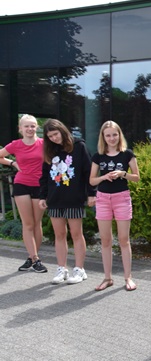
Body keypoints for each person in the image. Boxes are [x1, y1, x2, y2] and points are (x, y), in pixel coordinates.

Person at [39, 119, 96, 285]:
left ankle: (79, 269)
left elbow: (88, 172)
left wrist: (92, 193)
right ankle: (61, 268)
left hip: (74, 199)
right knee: (59, 235)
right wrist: (43, 196)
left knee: (76, 234)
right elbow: (44, 176)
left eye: (55, 134)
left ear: (62, 131)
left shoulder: (79, 147)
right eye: (50, 136)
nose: (54, 138)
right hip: (55, 199)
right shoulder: (50, 151)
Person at [90, 120, 140, 292]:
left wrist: (123, 174)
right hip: (103, 199)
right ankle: (107, 278)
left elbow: (137, 177)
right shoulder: (98, 156)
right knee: (105, 240)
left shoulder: (127, 154)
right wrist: (104, 177)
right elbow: (92, 180)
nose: (112, 138)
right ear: (103, 137)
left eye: (114, 134)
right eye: (108, 135)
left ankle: (128, 277)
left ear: (119, 135)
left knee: (124, 240)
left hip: (122, 198)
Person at [0, 114, 48, 273]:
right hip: (22, 185)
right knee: (28, 223)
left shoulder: (44, 144)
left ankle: (31, 258)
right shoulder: (16, 145)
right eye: (26, 126)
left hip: (40, 186)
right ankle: (36, 260)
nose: (30, 129)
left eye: (33, 126)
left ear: (37, 128)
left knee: (37, 223)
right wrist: (13, 163)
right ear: (20, 129)